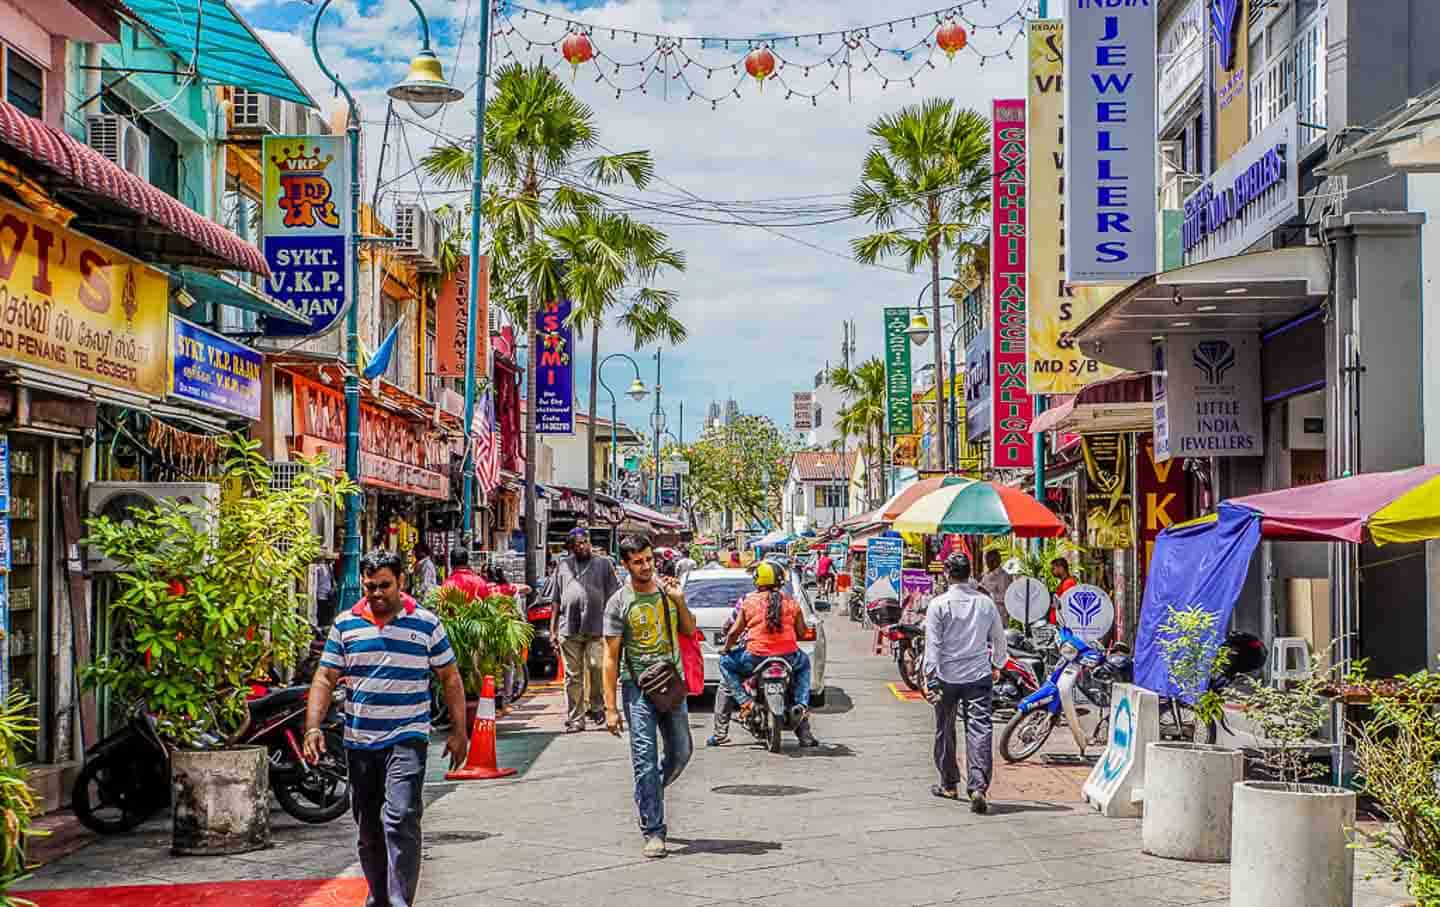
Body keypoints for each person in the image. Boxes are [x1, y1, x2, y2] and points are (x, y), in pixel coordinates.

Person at [303, 549, 468, 907]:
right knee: (368, 829)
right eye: (370, 587)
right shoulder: (346, 624)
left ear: (401, 582)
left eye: (384, 586)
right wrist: (312, 728)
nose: (376, 594)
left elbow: (450, 678)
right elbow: (325, 677)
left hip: (407, 737)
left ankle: (399, 901)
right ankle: (378, 897)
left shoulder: (426, 624)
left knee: (401, 817)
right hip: (360, 741)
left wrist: (460, 732)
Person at [603, 534, 696, 858]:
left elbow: (689, 629)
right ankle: (653, 830)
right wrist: (610, 707)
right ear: (626, 564)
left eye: (648, 559)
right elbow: (611, 657)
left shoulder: (667, 593)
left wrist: (680, 600)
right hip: (636, 686)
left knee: (682, 752)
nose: (645, 566)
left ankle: (649, 791)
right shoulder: (618, 602)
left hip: (672, 683)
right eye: (638, 561)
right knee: (643, 757)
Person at [924, 553, 1007, 814]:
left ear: (948, 573)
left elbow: (933, 646)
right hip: (978, 674)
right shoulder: (985, 603)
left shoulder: (938, 604)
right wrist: (998, 664)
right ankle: (978, 786)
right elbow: (999, 638)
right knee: (979, 728)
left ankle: (949, 783)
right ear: (969, 573)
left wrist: (930, 676)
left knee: (945, 728)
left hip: (946, 676)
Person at [718, 560, 818, 747]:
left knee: (724, 663)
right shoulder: (791, 602)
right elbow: (803, 632)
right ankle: (802, 706)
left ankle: (745, 703)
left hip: (754, 658)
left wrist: (726, 649)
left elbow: (733, 632)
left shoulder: (748, 601)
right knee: (804, 664)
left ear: (757, 580)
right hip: (788, 657)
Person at [550, 527, 622, 732]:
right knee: (573, 676)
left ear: (589, 543)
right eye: (576, 544)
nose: (581, 547)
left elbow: (613, 596)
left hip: (596, 627)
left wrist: (614, 624)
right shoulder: (563, 566)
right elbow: (556, 599)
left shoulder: (603, 564)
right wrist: (553, 629)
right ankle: (576, 719)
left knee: (597, 666)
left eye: (584, 542)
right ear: (571, 548)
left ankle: (597, 705)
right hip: (569, 628)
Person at [1050, 557, 1077, 623]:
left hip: (1063, 624)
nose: (1051, 571)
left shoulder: (1068, 583)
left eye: (1053, 569)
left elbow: (1066, 604)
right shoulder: (1064, 582)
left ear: (1061, 568)